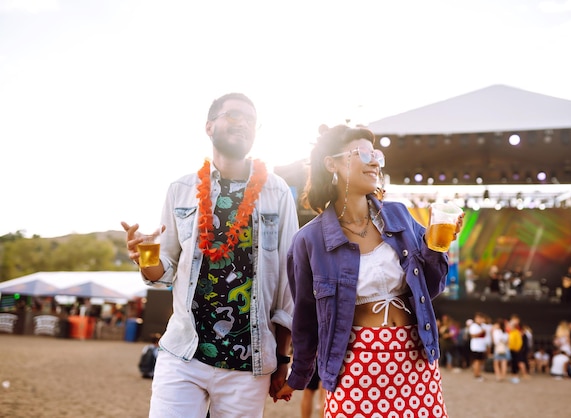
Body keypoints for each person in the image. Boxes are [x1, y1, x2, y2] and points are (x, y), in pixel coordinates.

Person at [121, 92, 299, 418]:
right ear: (209, 126)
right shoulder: (181, 189)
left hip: (249, 364)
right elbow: (165, 271)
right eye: (233, 115)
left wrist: (283, 359)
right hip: (183, 354)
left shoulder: (277, 192)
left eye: (250, 119)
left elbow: (289, 286)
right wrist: (145, 257)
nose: (243, 123)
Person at [275, 124, 462, 417]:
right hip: (354, 367)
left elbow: (430, 287)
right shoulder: (309, 240)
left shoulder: (399, 215)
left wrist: (437, 247)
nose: (374, 161)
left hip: (416, 363)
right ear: (332, 163)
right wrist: (297, 377)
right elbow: (305, 318)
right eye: (363, 153)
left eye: (376, 154)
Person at [469, 312, 489, 381]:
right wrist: (481, 332)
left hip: (482, 346)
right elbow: (473, 335)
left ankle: (478, 373)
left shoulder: (483, 326)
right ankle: (476, 375)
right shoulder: (474, 326)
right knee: (477, 361)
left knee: (480, 361)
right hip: (476, 347)